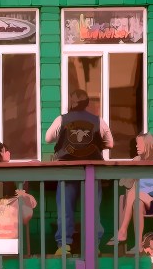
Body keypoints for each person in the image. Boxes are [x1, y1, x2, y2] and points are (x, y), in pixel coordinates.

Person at [45, 89, 113, 255]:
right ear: (87, 103)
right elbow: (110, 144)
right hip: (91, 170)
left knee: (65, 210)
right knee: (92, 210)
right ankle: (93, 245)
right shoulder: (98, 120)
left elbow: (48, 139)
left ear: (71, 102)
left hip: (67, 171)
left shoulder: (62, 119)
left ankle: (64, 245)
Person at [110, 132, 153, 245]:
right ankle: (139, 245)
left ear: (148, 144)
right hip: (142, 199)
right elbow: (125, 183)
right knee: (137, 202)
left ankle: (122, 230)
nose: (136, 146)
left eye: (139, 144)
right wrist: (131, 171)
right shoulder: (136, 160)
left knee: (133, 193)